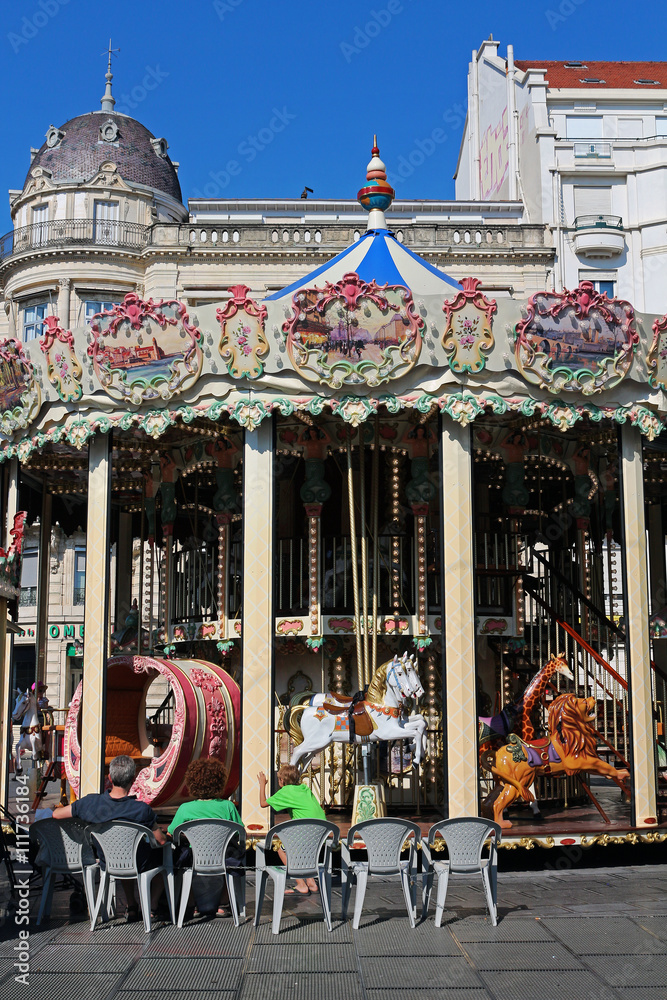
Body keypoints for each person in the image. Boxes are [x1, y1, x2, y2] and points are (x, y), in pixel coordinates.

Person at [53, 754, 167, 920]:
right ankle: (152, 904)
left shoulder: (90, 803)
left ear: (110, 777)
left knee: (123, 854)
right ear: (133, 780)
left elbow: (56, 814)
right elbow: (161, 840)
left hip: (109, 861)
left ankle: (132, 904)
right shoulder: (141, 810)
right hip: (138, 862)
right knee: (162, 855)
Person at [167, 758, 243, 917]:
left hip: (194, 858)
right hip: (222, 858)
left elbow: (171, 834)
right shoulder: (228, 806)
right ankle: (224, 902)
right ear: (219, 782)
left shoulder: (185, 809)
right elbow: (240, 832)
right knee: (234, 852)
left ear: (192, 782)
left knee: (180, 854)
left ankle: (191, 903)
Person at [258, 764, 326, 895]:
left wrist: (262, 784)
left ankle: (301, 884)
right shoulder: (304, 788)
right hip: (321, 831)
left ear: (282, 781)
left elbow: (263, 803)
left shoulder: (285, 791)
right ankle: (311, 882)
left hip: (306, 830)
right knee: (298, 851)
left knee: (282, 851)